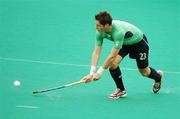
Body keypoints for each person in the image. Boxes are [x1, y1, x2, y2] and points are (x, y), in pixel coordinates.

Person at [81, 11, 163, 99]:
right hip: (124, 43)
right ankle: (121, 90)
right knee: (113, 64)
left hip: (139, 43)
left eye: (98, 25)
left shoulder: (118, 32)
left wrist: (99, 72)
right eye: (96, 24)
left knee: (144, 72)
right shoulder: (99, 31)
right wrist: (91, 73)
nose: (96, 27)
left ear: (107, 25)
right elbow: (96, 52)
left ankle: (158, 77)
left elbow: (112, 55)